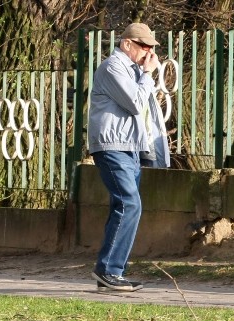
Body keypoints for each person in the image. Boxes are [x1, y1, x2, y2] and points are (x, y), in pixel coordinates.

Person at [88, 22, 170, 292]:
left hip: (130, 147)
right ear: (127, 44)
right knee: (130, 204)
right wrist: (147, 74)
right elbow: (135, 103)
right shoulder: (113, 66)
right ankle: (110, 270)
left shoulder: (132, 70)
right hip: (111, 146)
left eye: (151, 48)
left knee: (121, 207)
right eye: (144, 47)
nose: (149, 53)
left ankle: (109, 272)